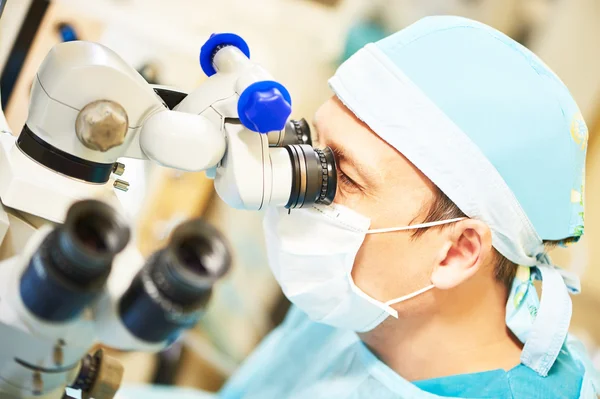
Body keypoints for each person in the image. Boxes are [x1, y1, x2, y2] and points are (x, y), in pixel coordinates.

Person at [120, 15, 598, 399]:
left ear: (456, 252)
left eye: (341, 177)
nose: (296, 193)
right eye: (313, 146)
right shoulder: (367, 303)